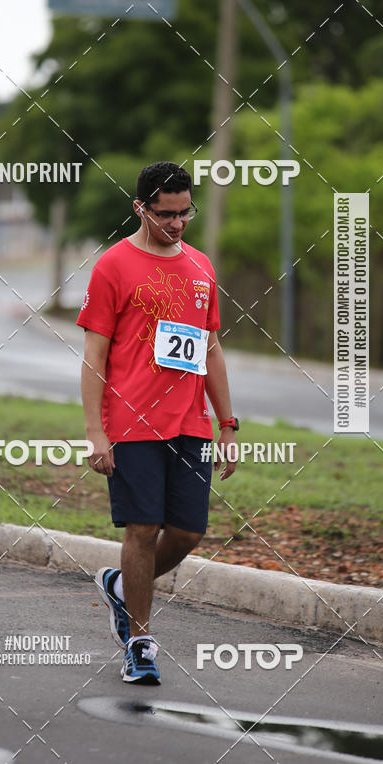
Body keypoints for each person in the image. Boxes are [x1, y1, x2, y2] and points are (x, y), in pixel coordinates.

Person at [76, 161, 238, 685]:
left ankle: (121, 587)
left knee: (188, 532)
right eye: (165, 213)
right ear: (140, 208)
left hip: (189, 421)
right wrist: (95, 431)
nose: (176, 223)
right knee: (142, 529)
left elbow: (211, 350)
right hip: (130, 422)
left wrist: (228, 423)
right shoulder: (113, 266)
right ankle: (140, 641)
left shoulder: (201, 266)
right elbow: (93, 356)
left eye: (184, 212)